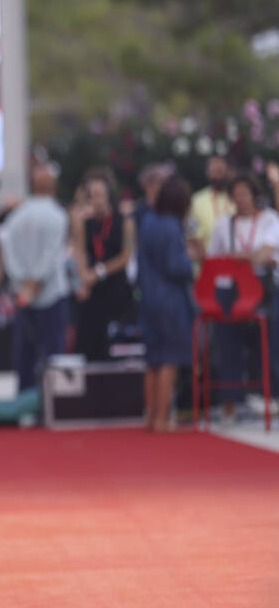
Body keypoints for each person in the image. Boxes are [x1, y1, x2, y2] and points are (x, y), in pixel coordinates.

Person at [206, 173, 279, 416]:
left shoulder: (269, 220)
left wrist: (245, 258)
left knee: (267, 343)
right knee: (228, 344)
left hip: (262, 289)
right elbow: (213, 258)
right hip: (231, 290)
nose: (241, 199)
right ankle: (231, 400)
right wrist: (252, 258)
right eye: (236, 194)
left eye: (245, 193)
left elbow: (267, 254)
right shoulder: (224, 224)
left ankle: (268, 396)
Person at [3, 164, 71, 390]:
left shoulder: (16, 217)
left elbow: (8, 250)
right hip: (50, 292)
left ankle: (25, 402)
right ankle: (56, 400)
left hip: (24, 292)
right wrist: (36, 282)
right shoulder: (57, 215)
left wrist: (23, 282)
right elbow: (52, 255)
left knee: (25, 352)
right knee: (53, 353)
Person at [137, 175, 196, 432]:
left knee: (152, 360)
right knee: (170, 359)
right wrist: (191, 261)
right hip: (171, 300)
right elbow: (176, 266)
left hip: (148, 298)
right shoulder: (173, 227)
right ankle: (163, 417)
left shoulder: (148, 222)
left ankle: (150, 416)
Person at [70, 170, 136, 361]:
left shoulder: (124, 222)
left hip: (115, 289)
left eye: (99, 194)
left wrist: (99, 272)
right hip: (91, 292)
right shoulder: (85, 224)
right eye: (91, 196)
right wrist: (84, 277)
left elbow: (126, 256)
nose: (95, 200)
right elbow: (79, 252)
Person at [190, 155, 234, 257]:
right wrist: (209, 263)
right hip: (206, 266)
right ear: (207, 173)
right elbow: (192, 236)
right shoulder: (196, 201)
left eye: (220, 171)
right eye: (213, 172)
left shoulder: (238, 198)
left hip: (236, 266)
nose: (217, 177)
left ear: (229, 171)